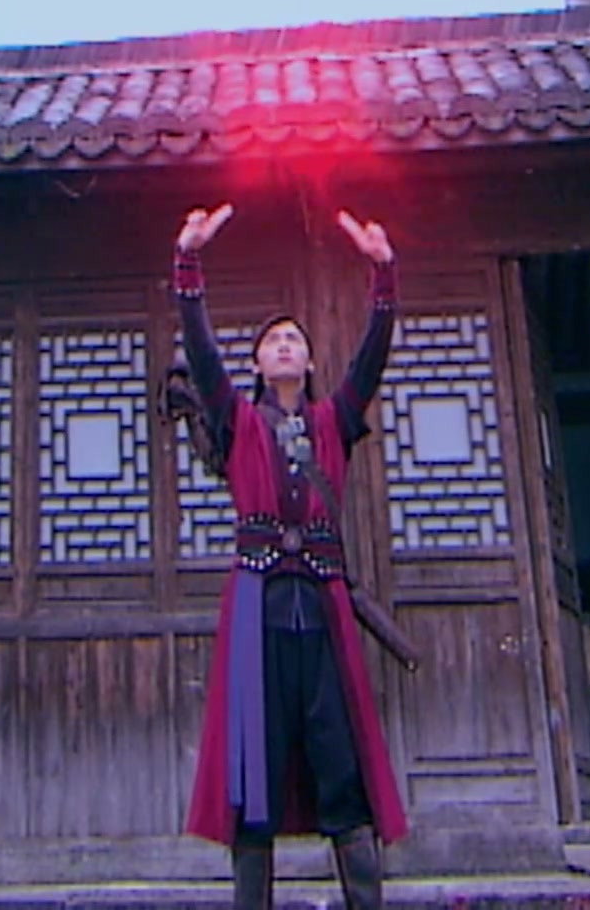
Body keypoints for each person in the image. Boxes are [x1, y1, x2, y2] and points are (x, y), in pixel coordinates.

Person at [174, 202, 410, 910]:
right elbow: (201, 353)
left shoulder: (333, 421)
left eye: (294, 340)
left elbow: (370, 361)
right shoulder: (239, 421)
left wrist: (383, 274)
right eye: (272, 340)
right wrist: (188, 262)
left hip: (324, 609)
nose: (283, 346)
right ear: (257, 362)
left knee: (341, 765)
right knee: (254, 770)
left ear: (308, 362)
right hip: (259, 608)